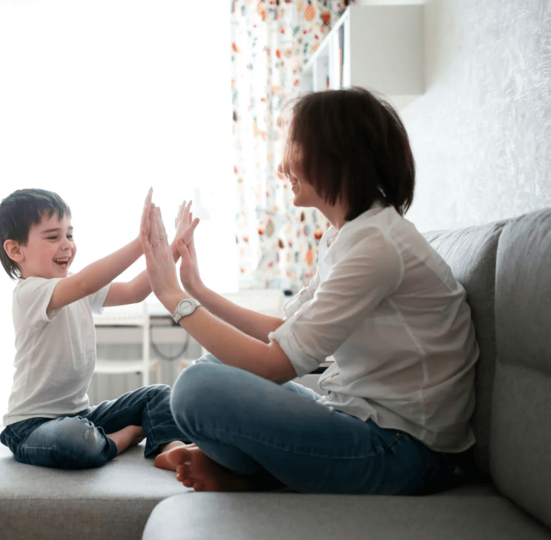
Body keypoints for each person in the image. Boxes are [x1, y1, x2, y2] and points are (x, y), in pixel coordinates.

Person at [142, 87, 478, 494]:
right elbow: (285, 328)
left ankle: (254, 474)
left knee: (197, 391)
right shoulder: (349, 235)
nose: (282, 167)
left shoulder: (376, 246)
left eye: (293, 146)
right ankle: (253, 472)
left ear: (337, 154)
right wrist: (198, 290)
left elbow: (275, 364)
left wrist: (174, 298)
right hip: (359, 417)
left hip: (405, 451)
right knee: (212, 367)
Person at [0, 188, 198, 469]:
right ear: (16, 249)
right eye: (53, 236)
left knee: (158, 394)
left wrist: (172, 246)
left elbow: (135, 291)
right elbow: (84, 284)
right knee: (74, 440)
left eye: (69, 234)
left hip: (81, 415)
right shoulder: (29, 293)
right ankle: (126, 436)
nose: (67, 244)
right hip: (31, 426)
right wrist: (142, 242)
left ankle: (173, 448)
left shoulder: (75, 286)